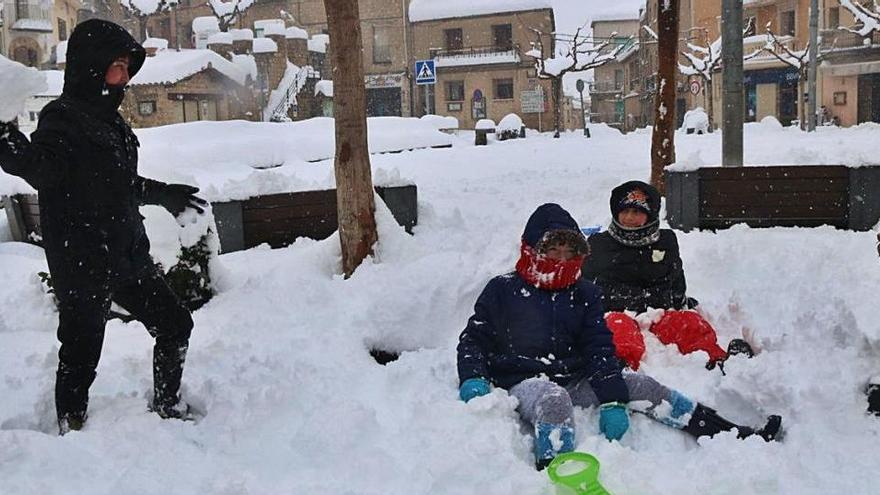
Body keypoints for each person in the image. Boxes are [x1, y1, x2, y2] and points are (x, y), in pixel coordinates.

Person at [457, 204, 781, 469]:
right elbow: (475, 339)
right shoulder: (504, 289)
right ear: (531, 248)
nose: (560, 258)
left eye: (568, 251)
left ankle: (732, 432)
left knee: (646, 387)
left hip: (576, 377)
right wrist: (474, 377)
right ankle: (560, 475)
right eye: (551, 249)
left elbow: (599, 347)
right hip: (524, 380)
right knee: (552, 401)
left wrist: (612, 396)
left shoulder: (584, 293)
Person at [0, 19, 207, 434]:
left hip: (128, 254)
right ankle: (71, 426)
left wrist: (163, 193)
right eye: (116, 64)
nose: (124, 75)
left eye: (127, 66)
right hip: (84, 260)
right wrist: (3, 132)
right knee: (80, 352)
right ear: (91, 65)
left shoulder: (110, 120)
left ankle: (168, 403)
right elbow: (39, 168)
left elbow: (114, 182)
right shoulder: (61, 118)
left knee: (175, 324)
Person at [582, 181, 752, 372]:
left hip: (658, 312)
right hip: (617, 313)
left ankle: (719, 360)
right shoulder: (598, 244)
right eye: (625, 212)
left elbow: (675, 286)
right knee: (617, 330)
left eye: (637, 212)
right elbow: (593, 290)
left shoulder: (665, 241)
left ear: (649, 215)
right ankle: (620, 369)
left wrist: (659, 303)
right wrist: (640, 299)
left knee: (688, 323)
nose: (629, 218)